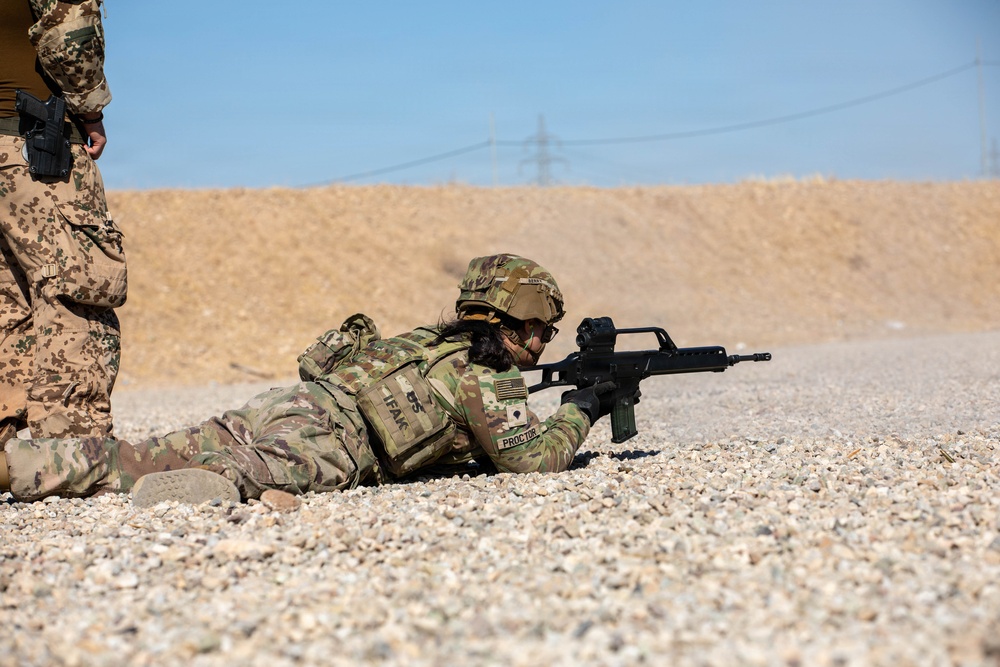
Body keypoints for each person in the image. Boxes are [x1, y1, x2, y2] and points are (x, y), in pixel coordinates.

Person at [0, 254, 619, 506]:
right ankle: (211, 486)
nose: (544, 343)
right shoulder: (487, 375)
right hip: (325, 446)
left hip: (292, 403)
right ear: (519, 320)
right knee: (240, 471)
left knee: (138, 453)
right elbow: (531, 461)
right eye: (542, 329)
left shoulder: (427, 341)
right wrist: (584, 408)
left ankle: (19, 464)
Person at [0, 0, 128, 445]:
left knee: (6, 299)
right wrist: (91, 110)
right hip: (31, 148)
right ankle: (69, 453)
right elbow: (70, 28)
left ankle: (8, 457)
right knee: (73, 285)